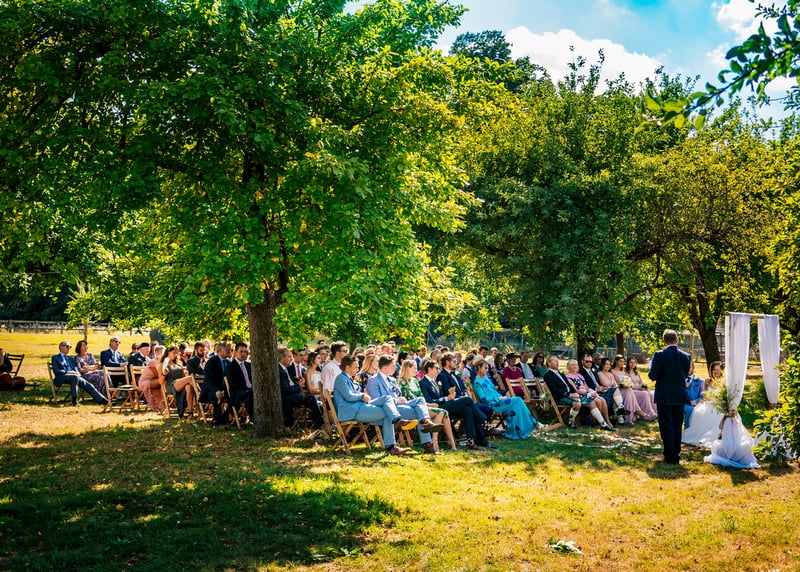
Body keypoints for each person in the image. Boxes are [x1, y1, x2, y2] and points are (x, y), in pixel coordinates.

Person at [332, 355, 411, 456]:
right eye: (355, 367)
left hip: (359, 406)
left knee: (387, 398)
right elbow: (349, 396)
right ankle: (391, 446)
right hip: (351, 410)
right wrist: (362, 396)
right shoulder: (341, 379)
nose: (358, 369)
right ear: (347, 367)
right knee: (388, 413)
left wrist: (363, 396)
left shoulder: (349, 378)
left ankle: (397, 421)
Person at [366, 355, 444, 454]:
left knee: (420, 400)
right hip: (388, 410)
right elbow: (377, 400)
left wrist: (401, 399)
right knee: (419, 412)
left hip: (400, 406)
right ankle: (428, 444)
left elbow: (398, 395)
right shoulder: (374, 380)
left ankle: (426, 421)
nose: (395, 367)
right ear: (385, 368)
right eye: (393, 366)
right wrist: (396, 400)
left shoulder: (392, 379)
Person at [419, 360, 486, 451]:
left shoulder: (436, 381)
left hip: (445, 406)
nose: (438, 370)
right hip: (436, 409)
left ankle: (471, 440)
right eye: (436, 368)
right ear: (429, 369)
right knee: (467, 399)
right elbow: (429, 401)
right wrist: (446, 398)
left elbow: (442, 396)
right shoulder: (423, 382)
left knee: (467, 409)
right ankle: (484, 422)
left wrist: (449, 396)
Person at [472, 357, 547, 438]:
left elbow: (494, 392)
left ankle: (519, 429)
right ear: (479, 368)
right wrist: (499, 399)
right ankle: (534, 424)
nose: (487, 370)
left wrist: (502, 396)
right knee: (518, 400)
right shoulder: (477, 383)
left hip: (500, 400)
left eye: (487, 368)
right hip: (494, 405)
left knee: (517, 404)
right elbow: (484, 399)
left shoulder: (485, 378)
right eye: (485, 368)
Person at [649, 329, 692, 464]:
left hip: (665, 394)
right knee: (677, 424)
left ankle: (669, 455)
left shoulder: (660, 355)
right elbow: (686, 374)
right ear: (677, 340)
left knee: (666, 424)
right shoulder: (686, 356)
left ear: (664, 341)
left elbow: (653, 375)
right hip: (679, 393)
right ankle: (676, 452)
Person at [397, 359, 457, 451]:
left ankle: (452, 443)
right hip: (412, 408)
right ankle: (434, 443)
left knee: (444, 412)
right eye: (414, 368)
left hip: (421, 407)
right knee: (441, 412)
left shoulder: (415, 381)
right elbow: (407, 400)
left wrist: (429, 404)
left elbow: (421, 397)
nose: (416, 370)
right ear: (408, 368)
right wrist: (428, 405)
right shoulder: (401, 382)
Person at [544, 356, 614, 431]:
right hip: (561, 397)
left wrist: (576, 393)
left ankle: (603, 424)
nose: (557, 362)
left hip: (572, 395)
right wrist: (571, 394)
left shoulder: (561, 374)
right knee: (577, 403)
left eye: (557, 361)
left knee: (592, 402)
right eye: (555, 361)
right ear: (549, 363)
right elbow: (555, 390)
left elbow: (570, 387)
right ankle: (571, 422)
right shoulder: (548, 375)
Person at [278, 346, 324, 430]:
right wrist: (298, 385)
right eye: (289, 356)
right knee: (310, 398)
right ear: (281, 358)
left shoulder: (285, 369)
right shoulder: (279, 370)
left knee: (320, 404)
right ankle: (321, 426)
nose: (291, 359)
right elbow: (285, 390)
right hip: (287, 399)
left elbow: (290, 383)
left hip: (294, 394)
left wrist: (297, 381)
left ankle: (314, 428)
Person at [51, 341, 108, 406]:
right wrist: (68, 372)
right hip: (61, 377)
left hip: (73, 376)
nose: (69, 348)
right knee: (75, 377)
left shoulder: (70, 358)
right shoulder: (55, 358)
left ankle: (103, 400)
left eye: (70, 347)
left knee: (88, 384)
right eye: (67, 346)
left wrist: (77, 373)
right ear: (61, 347)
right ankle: (74, 401)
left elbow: (75, 368)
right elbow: (56, 370)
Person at [682, 361, 725, 447]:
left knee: (717, 414)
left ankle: (717, 434)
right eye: (714, 370)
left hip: (718, 404)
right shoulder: (707, 381)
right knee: (698, 413)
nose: (716, 372)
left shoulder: (724, 382)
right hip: (708, 403)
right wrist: (703, 400)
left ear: (721, 371)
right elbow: (705, 395)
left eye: (718, 370)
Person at [565, 358, 614, 429]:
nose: (574, 366)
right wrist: (589, 394)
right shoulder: (568, 377)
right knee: (597, 401)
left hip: (587, 393)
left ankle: (606, 421)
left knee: (602, 399)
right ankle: (599, 422)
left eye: (576, 365)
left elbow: (587, 387)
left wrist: (593, 392)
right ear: (568, 367)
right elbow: (576, 390)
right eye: (572, 365)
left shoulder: (580, 376)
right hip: (580, 395)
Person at [162, 345, 198, 418]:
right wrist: (164, 374)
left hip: (180, 383)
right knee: (190, 378)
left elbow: (183, 376)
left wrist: (185, 373)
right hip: (171, 384)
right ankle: (199, 393)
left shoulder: (179, 363)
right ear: (168, 352)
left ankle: (190, 413)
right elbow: (160, 382)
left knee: (189, 387)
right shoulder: (163, 363)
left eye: (177, 353)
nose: (175, 355)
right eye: (174, 353)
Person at [201, 342, 231, 424]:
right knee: (217, 395)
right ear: (219, 350)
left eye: (229, 349)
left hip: (225, 390)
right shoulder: (212, 362)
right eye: (227, 349)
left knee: (236, 395)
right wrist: (216, 390)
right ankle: (216, 419)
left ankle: (224, 417)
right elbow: (208, 379)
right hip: (211, 389)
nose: (229, 351)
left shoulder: (229, 363)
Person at [597, 357, 633, 426]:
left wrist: (614, 385)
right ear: (602, 365)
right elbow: (606, 384)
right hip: (604, 392)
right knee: (616, 390)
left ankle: (621, 421)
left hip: (611, 391)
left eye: (609, 364)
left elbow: (615, 384)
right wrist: (613, 385)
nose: (608, 366)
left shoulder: (610, 374)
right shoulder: (600, 373)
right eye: (606, 364)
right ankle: (621, 407)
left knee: (615, 398)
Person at [611, 354, 645, 424]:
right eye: (620, 361)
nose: (622, 363)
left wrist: (628, 384)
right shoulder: (612, 371)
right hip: (617, 391)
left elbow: (629, 382)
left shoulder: (623, 372)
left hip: (626, 389)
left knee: (629, 390)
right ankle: (636, 411)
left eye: (623, 362)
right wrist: (622, 386)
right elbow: (613, 384)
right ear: (616, 361)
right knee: (629, 391)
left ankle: (630, 416)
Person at [227, 342, 255, 423]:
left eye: (245, 352)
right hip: (237, 393)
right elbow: (234, 384)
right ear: (236, 352)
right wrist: (249, 389)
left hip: (249, 390)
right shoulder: (230, 366)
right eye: (241, 351)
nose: (243, 354)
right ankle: (254, 419)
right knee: (249, 393)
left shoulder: (249, 365)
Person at [626, 356, 657, 421]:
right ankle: (648, 414)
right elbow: (628, 385)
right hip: (633, 391)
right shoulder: (626, 373)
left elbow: (641, 382)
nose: (632, 364)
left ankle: (655, 412)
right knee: (645, 394)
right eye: (631, 362)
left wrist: (644, 386)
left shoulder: (637, 373)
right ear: (628, 363)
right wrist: (639, 388)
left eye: (634, 362)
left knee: (652, 393)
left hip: (640, 389)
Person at [138, 345, 166, 412]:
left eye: (162, 352)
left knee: (163, 382)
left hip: (155, 380)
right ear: (156, 352)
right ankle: (163, 404)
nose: (161, 353)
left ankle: (165, 404)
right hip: (146, 381)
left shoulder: (164, 361)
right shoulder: (152, 362)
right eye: (159, 352)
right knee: (162, 381)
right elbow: (157, 375)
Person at [683, 363, 705, 428]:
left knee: (693, 410)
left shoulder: (700, 381)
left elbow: (703, 396)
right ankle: (686, 429)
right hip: (681, 403)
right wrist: (683, 386)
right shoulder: (679, 380)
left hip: (694, 404)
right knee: (690, 409)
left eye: (689, 367)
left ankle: (688, 429)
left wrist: (696, 401)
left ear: (693, 367)